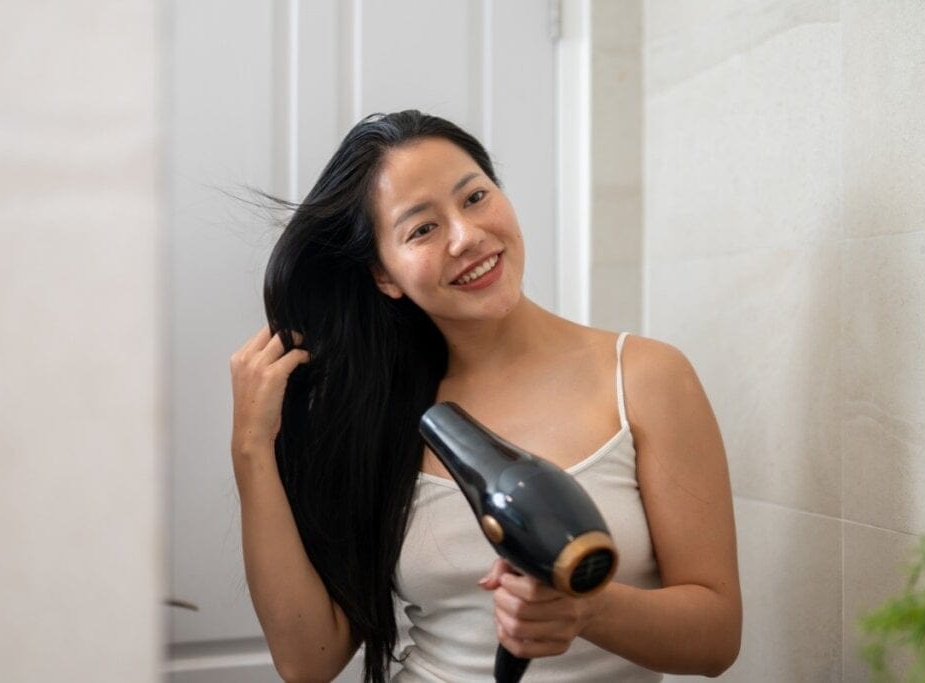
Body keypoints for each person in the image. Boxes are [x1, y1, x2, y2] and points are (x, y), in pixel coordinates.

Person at [229, 110, 741, 683]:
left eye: (474, 197)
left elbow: (717, 639)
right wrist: (251, 448)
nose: (467, 236)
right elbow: (307, 661)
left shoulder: (645, 378)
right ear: (384, 275)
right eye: (422, 228)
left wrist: (587, 608)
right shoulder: (378, 415)